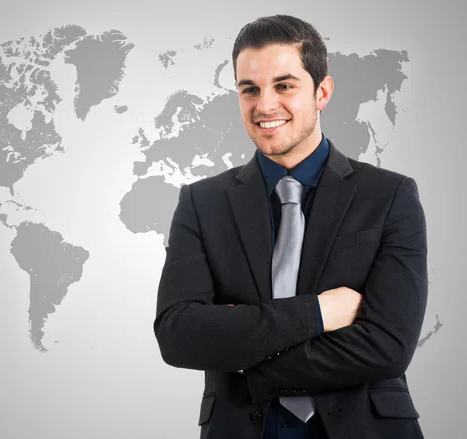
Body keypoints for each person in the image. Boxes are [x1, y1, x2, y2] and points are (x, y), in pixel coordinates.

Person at [153, 14, 427, 439]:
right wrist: (319, 313)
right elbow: (177, 335)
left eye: (284, 85)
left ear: (322, 92)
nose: (264, 105)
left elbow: (387, 346)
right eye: (250, 89)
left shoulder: (389, 196)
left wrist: (246, 356)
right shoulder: (201, 202)